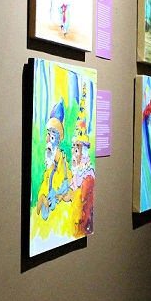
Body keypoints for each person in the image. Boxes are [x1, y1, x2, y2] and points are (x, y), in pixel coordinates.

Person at [36, 99, 72, 221]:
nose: (47, 139)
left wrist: (61, 197)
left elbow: (68, 191)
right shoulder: (50, 166)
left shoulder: (64, 166)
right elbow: (45, 184)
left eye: (51, 135)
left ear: (58, 138)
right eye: (48, 134)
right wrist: (42, 197)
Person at [69, 85, 94, 236]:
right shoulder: (75, 172)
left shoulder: (87, 176)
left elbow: (80, 199)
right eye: (73, 148)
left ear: (83, 152)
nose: (73, 153)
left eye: (76, 149)